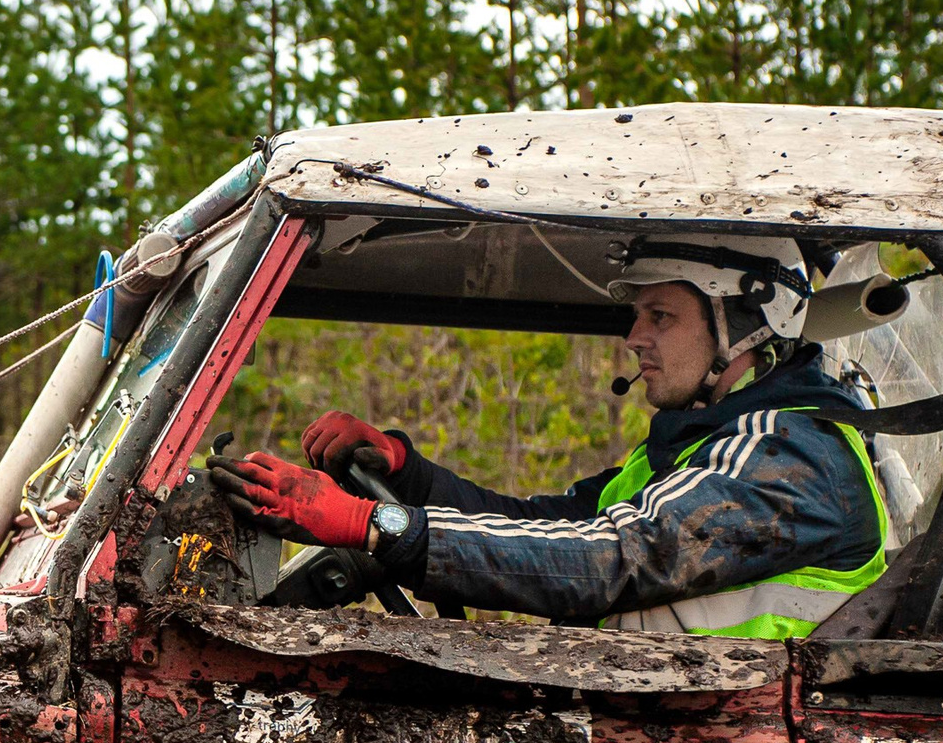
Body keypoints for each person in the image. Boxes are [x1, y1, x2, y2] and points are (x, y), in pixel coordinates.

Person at [208, 236, 890, 636]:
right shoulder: (703, 448)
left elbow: (605, 561)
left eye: (661, 315)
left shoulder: (791, 456)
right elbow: (549, 527)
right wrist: (408, 477)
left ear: (747, 323)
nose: (634, 338)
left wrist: (376, 524)